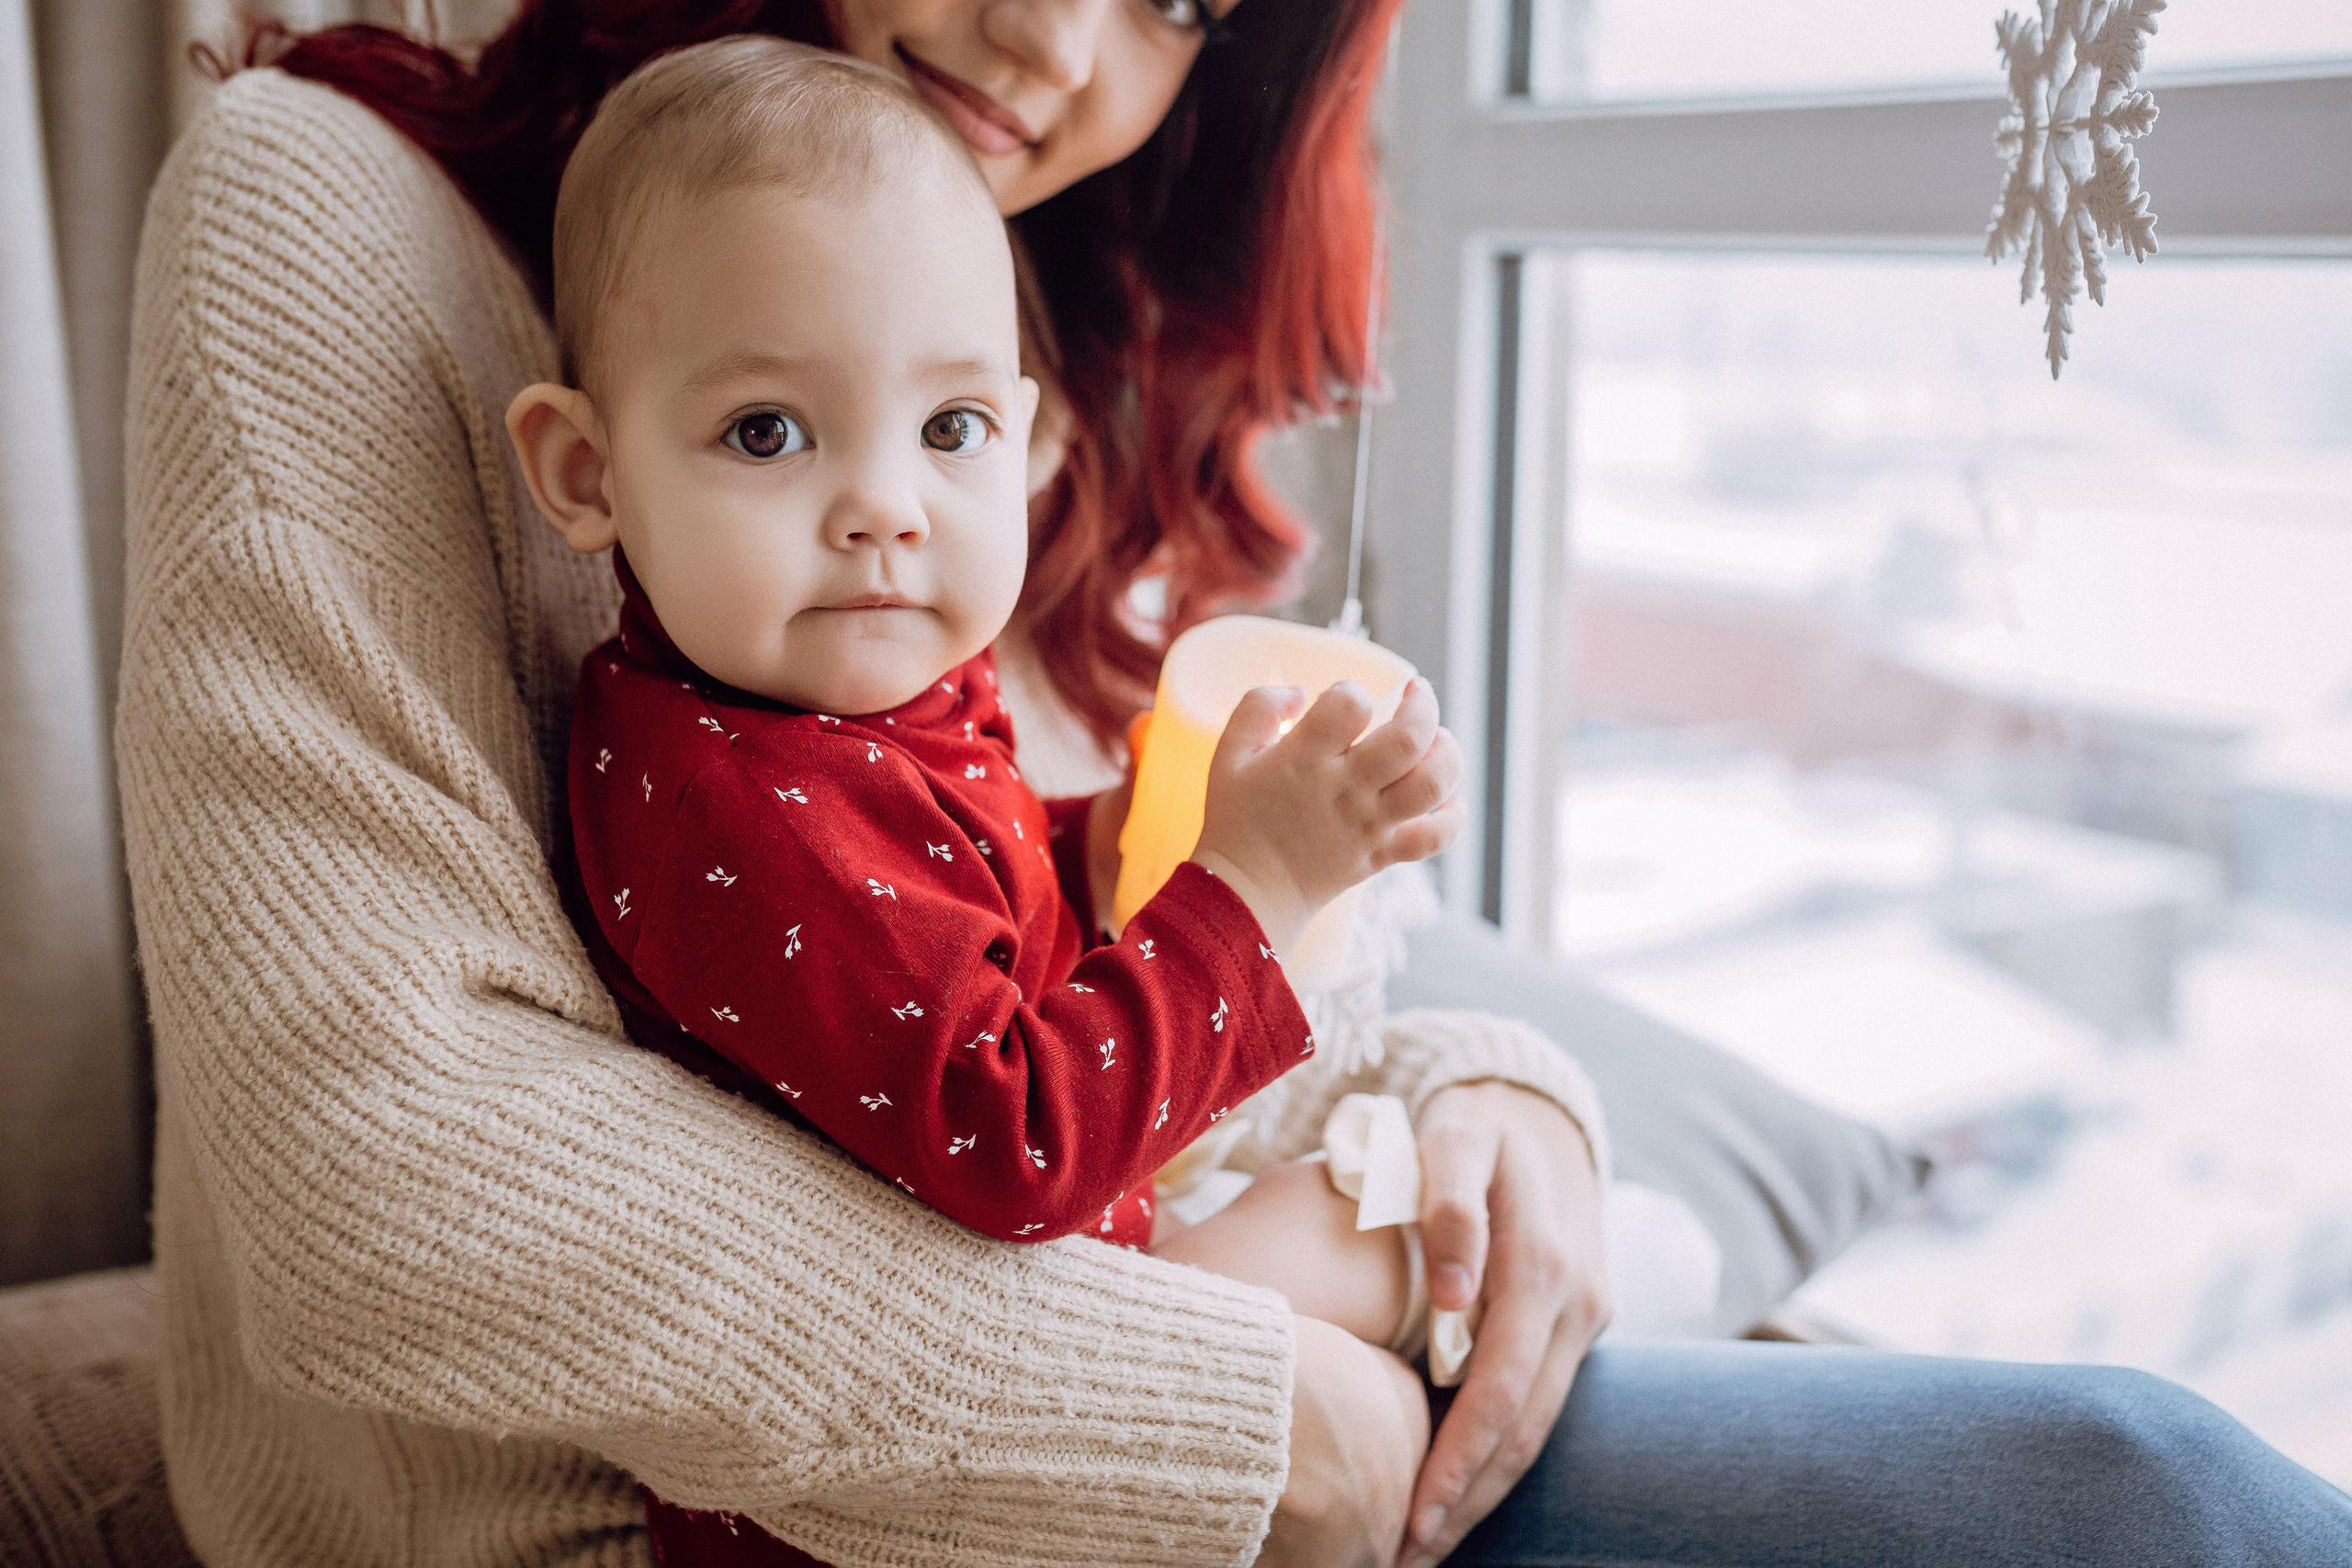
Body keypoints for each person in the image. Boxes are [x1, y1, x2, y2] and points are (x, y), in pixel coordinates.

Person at [117, 2, 2352, 1565]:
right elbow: (383, 1178)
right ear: (586, 465)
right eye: (767, 430)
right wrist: (1247, 1415)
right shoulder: (338, 223)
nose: (1055, 48)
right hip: (755, 1512)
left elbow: (1176, 909)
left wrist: (1489, 1092)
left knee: (2142, 1480)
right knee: (2132, 1497)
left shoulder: (1008, 352)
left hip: (1155, 1325)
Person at [511, 40, 1484, 1560]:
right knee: (1382, 1244)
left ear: (1021, 439)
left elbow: (969, 900)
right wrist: (1258, 888)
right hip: (932, 1468)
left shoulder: (852, 686)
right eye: (767, 430)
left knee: (1395, 1226)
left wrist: (1135, 834)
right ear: (586, 474)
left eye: (949, 429)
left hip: (1063, 1275)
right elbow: (1011, 1137)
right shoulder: (725, 800)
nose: (886, 509)